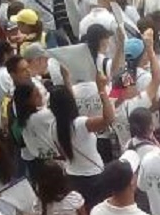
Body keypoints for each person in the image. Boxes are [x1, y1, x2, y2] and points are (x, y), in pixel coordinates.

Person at [48, 79, 114, 211]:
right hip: (94, 176)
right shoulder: (81, 124)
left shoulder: (52, 127)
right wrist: (102, 91)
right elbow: (109, 118)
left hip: (72, 177)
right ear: (71, 102)